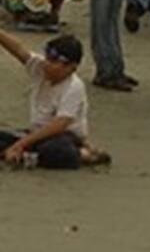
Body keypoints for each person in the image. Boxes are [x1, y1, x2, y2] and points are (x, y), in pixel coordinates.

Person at [0, 30, 109, 169]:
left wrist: (20, 144)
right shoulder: (40, 69)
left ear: (71, 67)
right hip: (35, 133)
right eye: (48, 59)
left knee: (57, 151)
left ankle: (83, 154)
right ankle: (26, 155)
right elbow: (18, 50)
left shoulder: (74, 87)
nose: (47, 64)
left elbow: (59, 124)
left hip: (63, 137)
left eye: (55, 61)